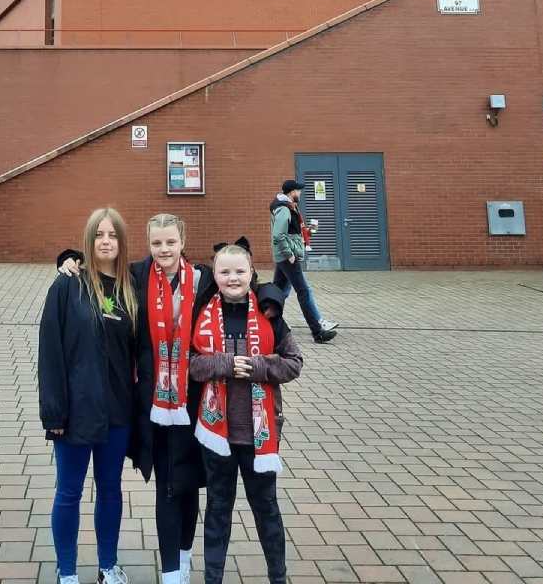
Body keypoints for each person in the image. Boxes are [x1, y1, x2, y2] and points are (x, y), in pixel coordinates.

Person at [59, 213, 216, 584]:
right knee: (166, 483)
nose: (164, 250)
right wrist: (68, 257)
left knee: (189, 482)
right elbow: (100, 268)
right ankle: (171, 572)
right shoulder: (137, 277)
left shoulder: (203, 279)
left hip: (192, 401)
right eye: (157, 243)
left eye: (170, 242)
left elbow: (239, 283)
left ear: (182, 241)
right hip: (153, 402)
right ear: (148, 244)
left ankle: (185, 555)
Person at [190, 244, 302, 584]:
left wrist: (257, 366)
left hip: (259, 436)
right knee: (217, 511)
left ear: (252, 274)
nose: (233, 278)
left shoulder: (270, 316)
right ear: (215, 276)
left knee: (266, 509)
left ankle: (278, 577)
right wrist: (224, 363)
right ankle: (213, 577)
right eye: (225, 272)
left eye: (240, 271)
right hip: (217, 436)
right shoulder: (204, 315)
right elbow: (192, 366)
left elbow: (294, 363)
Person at [40, 208, 138, 584]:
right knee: (68, 491)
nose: (106, 241)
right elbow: (50, 352)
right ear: (89, 240)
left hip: (117, 410)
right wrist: (54, 414)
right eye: (99, 235)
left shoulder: (132, 286)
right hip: (75, 410)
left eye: (113, 235)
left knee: (110, 489)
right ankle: (66, 572)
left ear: (122, 242)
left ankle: (107, 565)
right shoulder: (68, 286)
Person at [270, 180, 337, 343]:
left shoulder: (290, 207)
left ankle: (270, 326)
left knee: (278, 293)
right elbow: (278, 235)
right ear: (291, 192)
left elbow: (293, 231)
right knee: (304, 292)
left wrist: (309, 232)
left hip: (285, 256)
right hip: (288, 257)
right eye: (298, 191)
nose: (300, 193)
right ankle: (318, 332)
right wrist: (289, 254)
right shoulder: (284, 209)